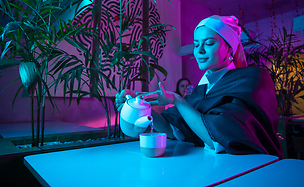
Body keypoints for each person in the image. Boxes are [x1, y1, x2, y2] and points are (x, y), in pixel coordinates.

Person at [116, 15, 284, 158]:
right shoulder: (201, 91)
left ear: (229, 48)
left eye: (209, 43)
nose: (200, 51)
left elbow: (218, 139)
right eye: (196, 45)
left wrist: (178, 100)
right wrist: (140, 105)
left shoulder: (253, 78)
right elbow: (171, 129)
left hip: (250, 170)